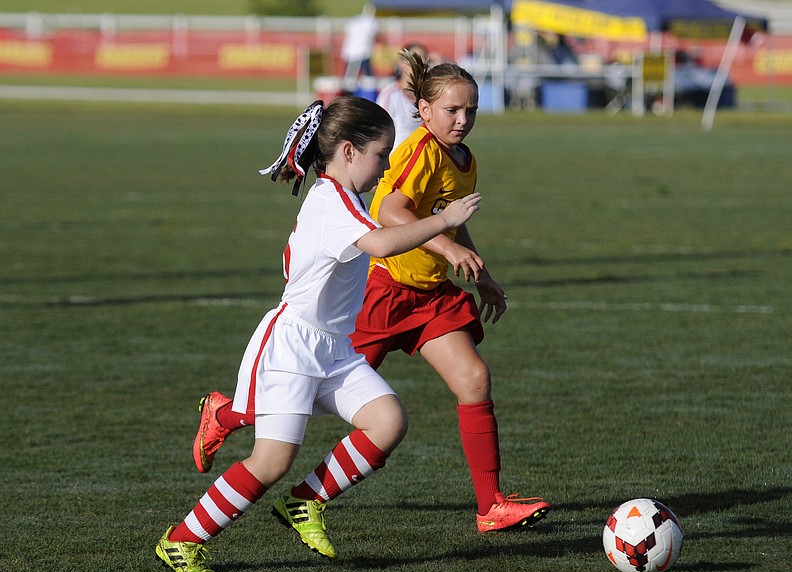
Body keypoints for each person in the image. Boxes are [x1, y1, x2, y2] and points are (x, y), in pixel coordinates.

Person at [194, 51, 550, 538]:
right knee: (293, 414)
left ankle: (490, 504)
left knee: (466, 382)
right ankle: (228, 416)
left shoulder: (462, 160)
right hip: (380, 296)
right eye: (453, 110)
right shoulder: (401, 161)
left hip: (427, 295)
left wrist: (477, 268)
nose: (464, 119)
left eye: (472, 110)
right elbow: (391, 214)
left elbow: (443, 214)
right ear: (423, 111)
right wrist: (445, 236)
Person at [156, 95, 481, 572]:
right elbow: (382, 244)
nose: (386, 165)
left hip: (334, 348)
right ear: (349, 152)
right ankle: (182, 540)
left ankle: (304, 503)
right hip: (293, 344)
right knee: (271, 461)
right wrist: (445, 223)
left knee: (387, 421)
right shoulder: (331, 200)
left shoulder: (348, 198)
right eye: (380, 154)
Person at [376, 43, 428, 152]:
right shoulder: (390, 95)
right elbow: (378, 130)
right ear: (401, 63)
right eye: (414, 59)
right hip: (398, 163)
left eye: (422, 59)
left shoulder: (429, 96)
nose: (419, 64)